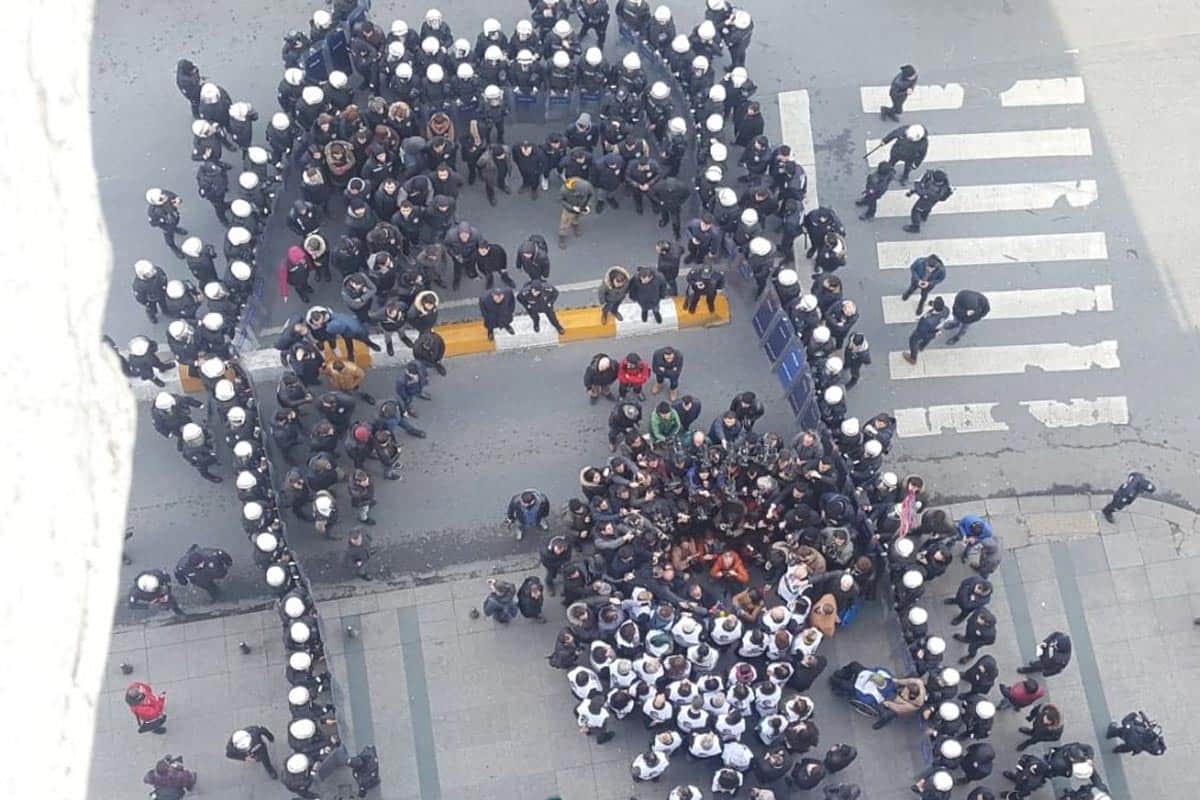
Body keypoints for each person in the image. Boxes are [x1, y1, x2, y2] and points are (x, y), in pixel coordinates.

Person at [902, 296, 948, 365]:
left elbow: (922, 332)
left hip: (924, 331)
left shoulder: (927, 321)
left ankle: (913, 358)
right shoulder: (946, 310)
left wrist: (921, 320)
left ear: (934, 307)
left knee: (913, 341)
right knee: (927, 339)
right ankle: (921, 346)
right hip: (935, 328)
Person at [904, 169, 953, 233]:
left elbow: (921, 191)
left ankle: (915, 227)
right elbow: (943, 198)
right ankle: (924, 217)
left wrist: (914, 189)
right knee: (928, 208)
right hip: (933, 201)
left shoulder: (933, 190)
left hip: (926, 200)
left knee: (915, 211)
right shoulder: (945, 187)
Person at [559, 176, 594, 249]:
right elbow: (561, 200)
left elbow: (591, 195)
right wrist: (572, 208)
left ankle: (575, 224)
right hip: (569, 210)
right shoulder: (565, 190)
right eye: (580, 194)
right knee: (565, 223)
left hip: (581, 206)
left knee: (577, 217)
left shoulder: (587, 186)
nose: (582, 195)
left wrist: (588, 205)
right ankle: (562, 236)